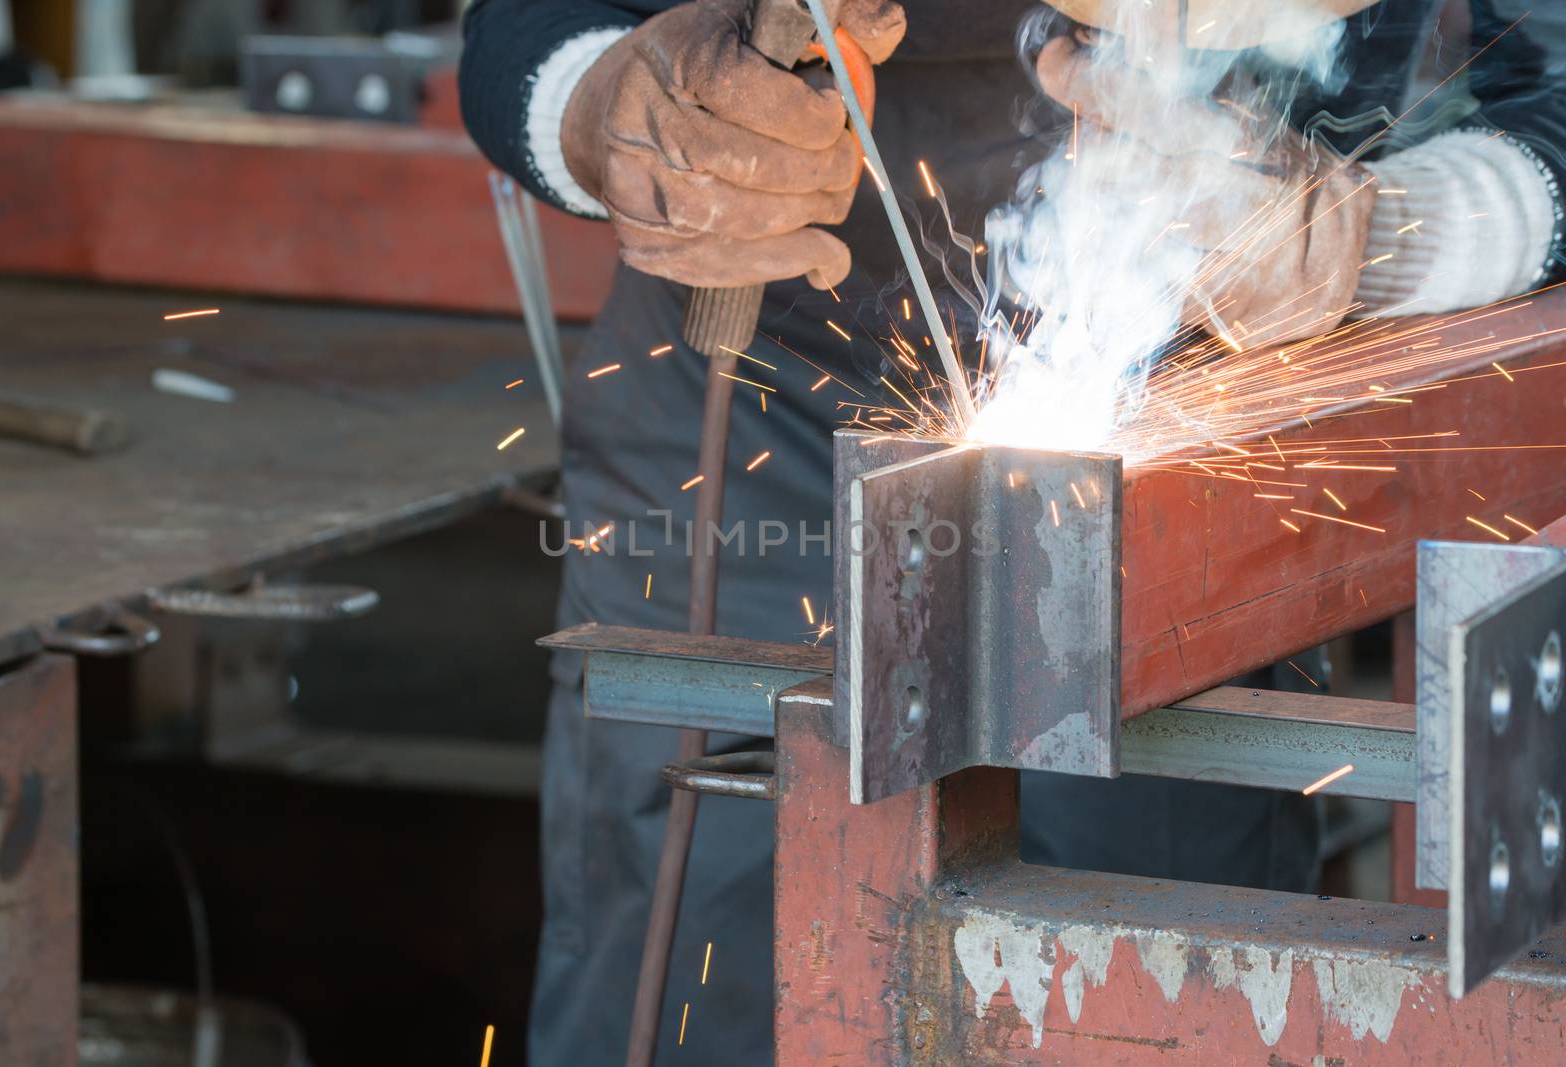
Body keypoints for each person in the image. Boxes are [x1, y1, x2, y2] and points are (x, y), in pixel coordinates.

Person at [459, 2, 1566, 1062]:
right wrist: (614, 117)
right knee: (718, 969)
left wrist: (1381, 237)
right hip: (764, 399)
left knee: (1141, 996)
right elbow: (526, 21)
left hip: (1191, 428)